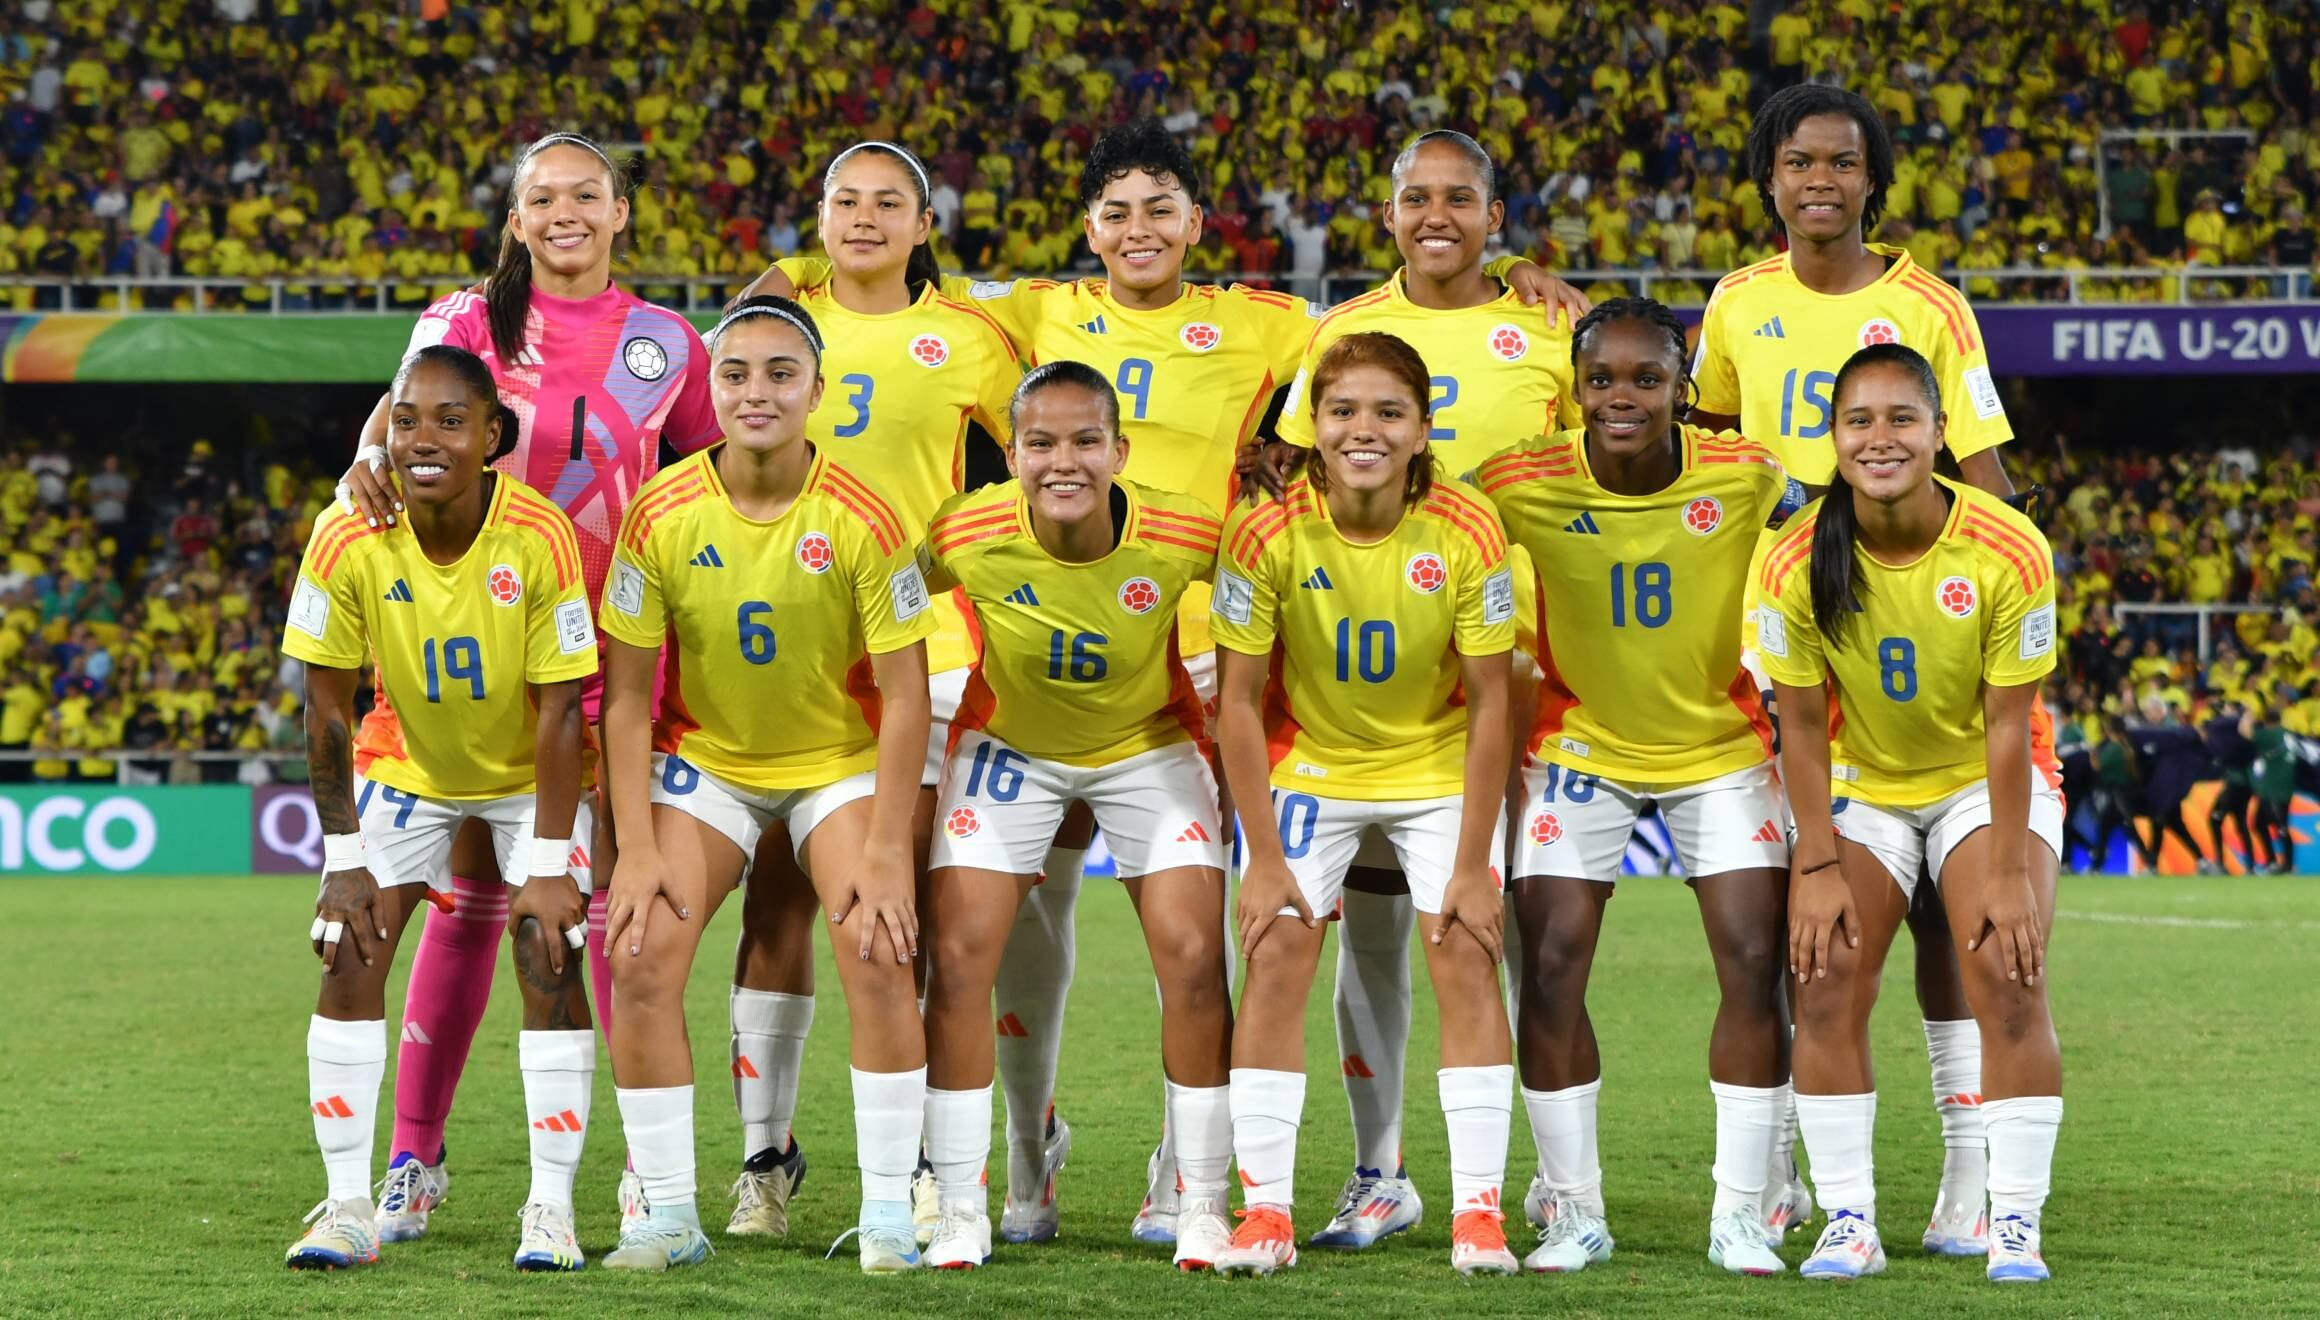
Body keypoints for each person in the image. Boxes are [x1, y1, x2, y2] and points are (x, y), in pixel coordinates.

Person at [739, 117, 1588, 1245]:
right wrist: (795, 267)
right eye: (1116, 212)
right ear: (1088, 229)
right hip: (1018, 648)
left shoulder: (1274, 323)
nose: (1138, 229)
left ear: (1198, 224)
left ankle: (1196, 1173)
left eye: (1161, 209)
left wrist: (1517, 274)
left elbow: (1373, 351)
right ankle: (1019, 1161)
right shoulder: (1029, 314)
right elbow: (871, 274)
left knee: (1234, 933)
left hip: (1200, 648)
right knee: (1002, 925)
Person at [332, 131, 722, 1242]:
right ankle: (412, 1158)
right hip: (469, 658)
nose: (564, 213)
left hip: (611, 660)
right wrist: (355, 482)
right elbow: (390, 427)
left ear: (620, 212)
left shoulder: (668, 341)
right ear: (514, 220)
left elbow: (697, 482)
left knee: (604, 913)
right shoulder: (465, 322)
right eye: (541, 198)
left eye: (584, 196)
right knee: (469, 907)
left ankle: (641, 1174)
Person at [1691, 83, 2024, 1253]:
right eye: (1797, 162)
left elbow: (1983, 478)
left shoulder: (1929, 303)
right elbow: (1705, 460)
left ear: (1871, 179)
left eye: (1840, 162)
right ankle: (1787, 1171)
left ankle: (1968, 1175)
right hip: (1778, 643)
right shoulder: (1734, 303)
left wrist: (1999, 638)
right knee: (1804, 923)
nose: (1818, 181)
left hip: (1907, 640)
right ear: (1769, 179)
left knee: (1947, 924)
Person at [1251, 128, 1584, 1250]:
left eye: (1458, 198)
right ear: (1387, 215)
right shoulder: (1340, 335)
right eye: (1414, 197)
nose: (1435, 214)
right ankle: (1378, 1168)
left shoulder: (1549, 321)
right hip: (1366, 672)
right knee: (1375, 936)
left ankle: (1547, 1181)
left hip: (1519, 663)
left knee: (1511, 931)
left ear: (1497, 216)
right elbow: (1298, 474)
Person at [706, 140, 1018, 1243]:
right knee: (777, 899)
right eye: (846, 201)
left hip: (918, 651)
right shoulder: (773, 328)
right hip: (783, 646)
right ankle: (766, 1156)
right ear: (820, 219)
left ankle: (931, 1163)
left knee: (904, 909)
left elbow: (1061, 429)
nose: (867, 218)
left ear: (924, 225)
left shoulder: (976, 338)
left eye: (892, 203)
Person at [595, 297, 935, 1273]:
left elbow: (906, 698)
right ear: (710, 388)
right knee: (641, 952)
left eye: (781, 373)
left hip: (837, 765)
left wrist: (881, 852)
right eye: (736, 373)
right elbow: (624, 703)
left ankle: (882, 1217)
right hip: (708, 766)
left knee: (876, 941)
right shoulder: (659, 513)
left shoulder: (866, 516)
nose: (757, 391)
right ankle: (666, 1215)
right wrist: (635, 847)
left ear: (816, 391)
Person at [1475, 298, 1795, 1277]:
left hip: (1719, 746)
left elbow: (1834, 531)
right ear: (1572, 391)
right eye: (1601, 380)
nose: (1623, 397)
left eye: (1646, 379)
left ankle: (1745, 1210)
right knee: (1553, 960)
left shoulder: (1747, 476)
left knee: (1752, 957)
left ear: (1683, 391)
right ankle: (1573, 1211)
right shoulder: (1512, 481)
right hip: (1578, 746)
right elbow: (1422, 522)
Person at [280, 346, 600, 1272]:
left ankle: (551, 1208)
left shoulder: (540, 534)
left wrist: (546, 866)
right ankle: (345, 1208)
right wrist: (342, 856)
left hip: (523, 781)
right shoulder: (346, 532)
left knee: (550, 950)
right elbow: (327, 706)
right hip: (407, 767)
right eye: (408, 420)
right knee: (346, 942)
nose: (425, 442)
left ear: (492, 437)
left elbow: (557, 710)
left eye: (451, 422)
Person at [1209, 332, 1520, 1278]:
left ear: (1424, 429)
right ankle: (1264, 1214)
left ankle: (1479, 1214)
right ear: (1314, 421)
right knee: (1275, 951)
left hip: (1433, 768)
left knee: (1464, 952)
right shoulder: (1264, 527)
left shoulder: (1469, 527)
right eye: (1343, 411)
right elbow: (1233, 699)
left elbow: (1493, 701)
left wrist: (1472, 864)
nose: (1364, 430)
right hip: (1315, 764)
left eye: (1389, 412)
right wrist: (1261, 856)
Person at [915, 362, 1235, 1271]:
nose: (1065, 462)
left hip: (1149, 745)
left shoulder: (1184, 529)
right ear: (1009, 453)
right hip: (1009, 746)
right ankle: (962, 1206)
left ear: (1119, 452)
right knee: (960, 957)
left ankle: (1202, 1200)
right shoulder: (962, 530)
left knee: (1193, 954)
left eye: (1086, 441)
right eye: (1041, 443)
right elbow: (882, 609)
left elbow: (1284, 589)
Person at [1760, 344, 2065, 1285]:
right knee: (1822, 976)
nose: (1880, 438)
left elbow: (2009, 727)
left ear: (1941, 434)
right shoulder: (1794, 556)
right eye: (1860, 421)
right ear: (1833, 437)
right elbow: (1800, 727)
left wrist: (2009, 870)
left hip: (1983, 779)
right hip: (1862, 779)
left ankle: (2013, 1222)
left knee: (2007, 977)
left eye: (1903, 419)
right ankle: (1849, 1217)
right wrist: (1814, 865)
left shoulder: (2010, 546)